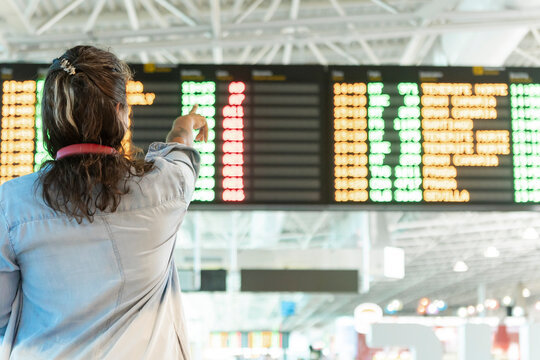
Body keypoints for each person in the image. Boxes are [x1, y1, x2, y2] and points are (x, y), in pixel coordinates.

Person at [0, 45, 207, 359]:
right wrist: (184, 125)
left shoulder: (11, 204)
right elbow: (180, 152)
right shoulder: (166, 187)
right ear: (122, 113)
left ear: (50, 118)